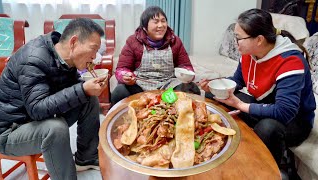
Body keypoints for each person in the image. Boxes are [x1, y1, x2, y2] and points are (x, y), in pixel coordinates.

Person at [200, 8, 316, 168]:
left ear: (259, 40)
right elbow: (237, 81)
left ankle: (273, 167)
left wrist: (240, 105)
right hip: (265, 106)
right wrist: (214, 85)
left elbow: (284, 111)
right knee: (213, 95)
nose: (235, 42)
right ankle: (225, 141)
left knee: (267, 128)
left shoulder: (290, 62)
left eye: (239, 38)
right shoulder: (249, 53)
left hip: (294, 119)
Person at [0, 18, 107, 180]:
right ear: (74, 42)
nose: (95, 57)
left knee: (89, 99)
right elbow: (37, 110)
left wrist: (86, 89)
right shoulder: (33, 59)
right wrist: (82, 89)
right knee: (55, 128)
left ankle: (86, 158)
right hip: (10, 131)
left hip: (32, 120)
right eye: (93, 49)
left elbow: (68, 89)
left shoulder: (62, 56)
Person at [111, 6, 200, 105]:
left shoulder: (175, 41)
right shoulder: (133, 41)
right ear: (144, 27)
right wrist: (126, 76)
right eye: (156, 22)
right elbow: (121, 69)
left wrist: (187, 75)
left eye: (163, 21)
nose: (161, 25)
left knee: (192, 89)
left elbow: (187, 66)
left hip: (169, 86)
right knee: (119, 92)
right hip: (140, 87)